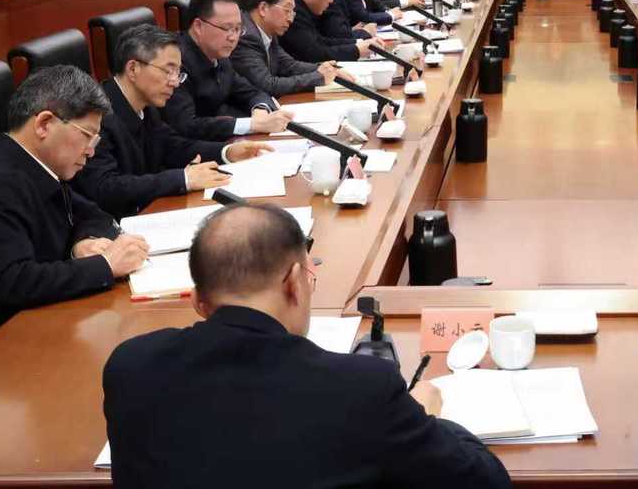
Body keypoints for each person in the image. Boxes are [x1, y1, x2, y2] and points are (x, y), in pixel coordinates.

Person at [103, 204, 512, 489]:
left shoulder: (130, 367)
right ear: (295, 282)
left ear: (198, 302)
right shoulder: (361, 389)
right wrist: (425, 418)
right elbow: (485, 482)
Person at [0, 66, 149, 340]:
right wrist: (105, 265)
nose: (91, 150)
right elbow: (11, 283)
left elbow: (92, 214)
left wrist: (81, 244)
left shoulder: (37, 164)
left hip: (26, 323)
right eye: (86, 135)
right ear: (44, 124)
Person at [77, 26, 274, 219]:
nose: (175, 82)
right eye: (168, 71)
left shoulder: (145, 106)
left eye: (178, 72)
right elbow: (104, 187)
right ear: (133, 69)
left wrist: (227, 152)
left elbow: (172, 146)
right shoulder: (96, 116)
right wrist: (183, 178)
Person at [164, 0, 291, 140]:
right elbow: (187, 125)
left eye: (238, 29)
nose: (233, 38)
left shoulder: (219, 55)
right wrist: (252, 125)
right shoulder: (174, 62)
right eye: (227, 28)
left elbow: (251, 91)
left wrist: (260, 110)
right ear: (198, 26)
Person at [233, 0, 349, 96]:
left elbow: (288, 65)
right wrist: (318, 77)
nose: (290, 19)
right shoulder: (245, 37)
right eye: (287, 10)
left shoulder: (268, 30)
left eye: (292, 13)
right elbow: (267, 85)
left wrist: (324, 68)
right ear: (263, 8)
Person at [282, 0, 382, 63]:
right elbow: (315, 54)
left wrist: (359, 42)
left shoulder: (303, 7)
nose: (331, 0)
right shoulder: (293, 13)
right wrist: (357, 50)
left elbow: (321, 41)